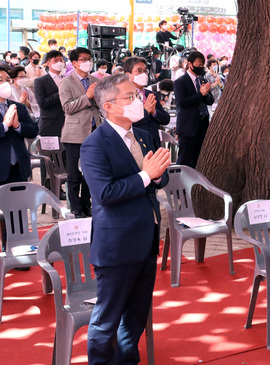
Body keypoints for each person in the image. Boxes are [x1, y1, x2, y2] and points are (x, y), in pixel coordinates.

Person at [82, 73, 170, 364]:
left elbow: (160, 176)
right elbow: (105, 193)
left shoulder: (143, 134)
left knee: (135, 316)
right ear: (109, 106)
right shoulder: (95, 144)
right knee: (107, 319)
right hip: (117, 245)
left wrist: (154, 175)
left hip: (146, 239)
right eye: (130, 97)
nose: (138, 102)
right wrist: (146, 175)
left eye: (137, 96)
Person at [59, 47, 102, 218]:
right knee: (74, 175)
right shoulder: (66, 82)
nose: (87, 62)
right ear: (74, 63)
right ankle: (75, 207)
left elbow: (99, 104)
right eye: (83, 59)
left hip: (94, 131)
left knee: (90, 173)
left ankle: (86, 204)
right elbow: (68, 107)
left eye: (89, 59)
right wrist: (87, 96)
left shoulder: (94, 79)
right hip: (74, 133)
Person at [174, 51, 214, 168]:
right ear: (190, 64)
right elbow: (182, 102)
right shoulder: (180, 82)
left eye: (202, 65)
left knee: (198, 159)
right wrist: (200, 94)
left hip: (203, 124)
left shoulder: (203, 80)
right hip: (188, 127)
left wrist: (206, 95)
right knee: (184, 159)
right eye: (199, 65)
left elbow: (210, 100)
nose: (201, 68)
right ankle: (179, 184)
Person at [0, 66, 38, 186]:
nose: (5, 84)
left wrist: (17, 126)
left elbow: (33, 131)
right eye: (0, 80)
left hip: (19, 167)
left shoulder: (19, 107)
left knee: (18, 203)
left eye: (7, 80)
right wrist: (5, 126)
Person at [123, 56, 170, 148]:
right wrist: (146, 111)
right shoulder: (124, 96)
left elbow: (165, 119)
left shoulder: (151, 94)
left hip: (153, 143)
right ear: (128, 75)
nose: (144, 74)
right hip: (135, 144)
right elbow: (126, 123)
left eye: (145, 71)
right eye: (139, 71)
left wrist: (154, 112)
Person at [34, 50, 66, 137]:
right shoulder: (40, 81)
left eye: (61, 60)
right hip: (49, 124)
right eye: (55, 60)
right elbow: (42, 103)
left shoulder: (66, 80)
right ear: (48, 63)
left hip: (67, 123)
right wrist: (61, 92)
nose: (59, 63)